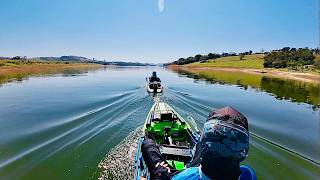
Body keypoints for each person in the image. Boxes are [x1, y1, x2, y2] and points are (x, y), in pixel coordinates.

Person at [141, 106, 255, 180]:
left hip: (175, 174)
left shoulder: (182, 177)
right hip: (194, 169)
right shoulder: (248, 174)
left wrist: (159, 177)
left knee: (147, 144)